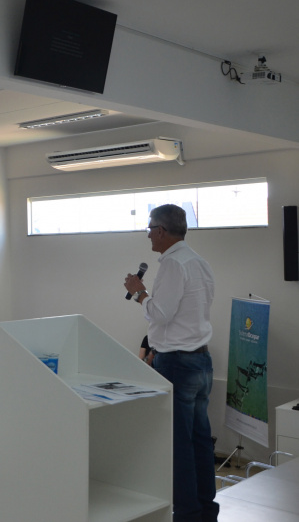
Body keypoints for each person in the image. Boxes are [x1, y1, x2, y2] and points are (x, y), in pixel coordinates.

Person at [123, 203, 218, 521]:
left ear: (161, 231)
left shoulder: (173, 265)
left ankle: (188, 513)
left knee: (179, 444)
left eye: (149, 228)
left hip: (177, 363)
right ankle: (205, 509)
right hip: (201, 361)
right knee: (201, 441)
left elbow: (161, 314)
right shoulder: (199, 261)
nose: (148, 234)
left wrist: (140, 293)